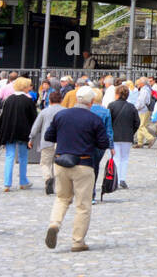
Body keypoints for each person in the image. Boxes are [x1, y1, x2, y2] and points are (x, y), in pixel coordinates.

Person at [44, 86, 111, 252]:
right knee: (83, 205)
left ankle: (54, 223)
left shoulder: (61, 115)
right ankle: (77, 241)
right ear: (92, 101)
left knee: (61, 198)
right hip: (84, 163)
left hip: (61, 162)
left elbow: (48, 136)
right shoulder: (94, 119)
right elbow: (104, 143)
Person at [0, 76, 37, 191]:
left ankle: (7, 183)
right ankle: (23, 181)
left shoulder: (9, 99)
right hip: (23, 132)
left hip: (9, 131)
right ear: (25, 87)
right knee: (23, 157)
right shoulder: (28, 100)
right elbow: (33, 118)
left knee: (9, 156)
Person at [29, 91, 68, 196]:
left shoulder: (44, 112)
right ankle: (57, 183)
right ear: (61, 100)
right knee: (58, 164)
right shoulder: (66, 111)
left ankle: (48, 178)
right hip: (62, 142)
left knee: (45, 163)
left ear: (49, 100)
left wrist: (31, 139)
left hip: (47, 141)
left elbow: (36, 127)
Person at [108, 83, 140, 190]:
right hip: (127, 136)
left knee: (115, 157)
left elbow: (109, 121)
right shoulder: (131, 107)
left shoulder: (111, 106)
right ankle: (122, 179)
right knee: (125, 158)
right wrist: (131, 131)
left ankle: (115, 180)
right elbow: (137, 122)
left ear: (117, 94)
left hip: (115, 136)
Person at [88, 88, 112, 204]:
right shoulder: (105, 111)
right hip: (99, 144)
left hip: (85, 142)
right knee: (95, 167)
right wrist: (111, 147)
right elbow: (109, 131)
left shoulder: (86, 110)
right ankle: (91, 193)